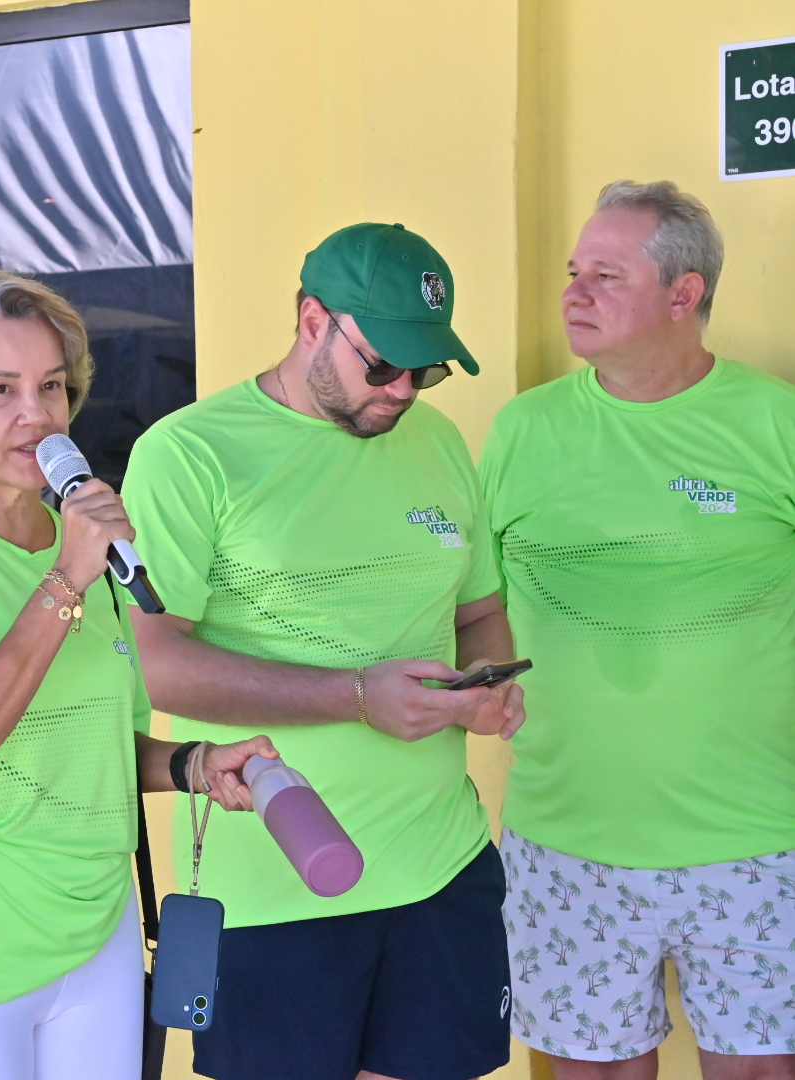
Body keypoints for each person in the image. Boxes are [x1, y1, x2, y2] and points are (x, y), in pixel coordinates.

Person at [0, 267, 278, 1080]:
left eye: (50, 386)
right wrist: (66, 578)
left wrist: (193, 763)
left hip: (96, 933)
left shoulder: (89, 551)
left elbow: (97, 743)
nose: (36, 414)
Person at [124, 222, 526, 1080]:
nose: (404, 391)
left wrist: (484, 688)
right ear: (313, 321)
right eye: (382, 366)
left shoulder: (438, 443)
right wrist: (357, 696)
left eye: (427, 370)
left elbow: (481, 613)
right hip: (277, 884)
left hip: (442, 868)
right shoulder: (189, 456)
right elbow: (157, 664)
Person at [481, 182, 795, 1078]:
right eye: (573, 271)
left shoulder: (776, 423)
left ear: (683, 293)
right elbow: (477, 602)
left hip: (758, 838)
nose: (574, 293)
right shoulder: (523, 430)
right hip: (567, 840)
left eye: (606, 276)